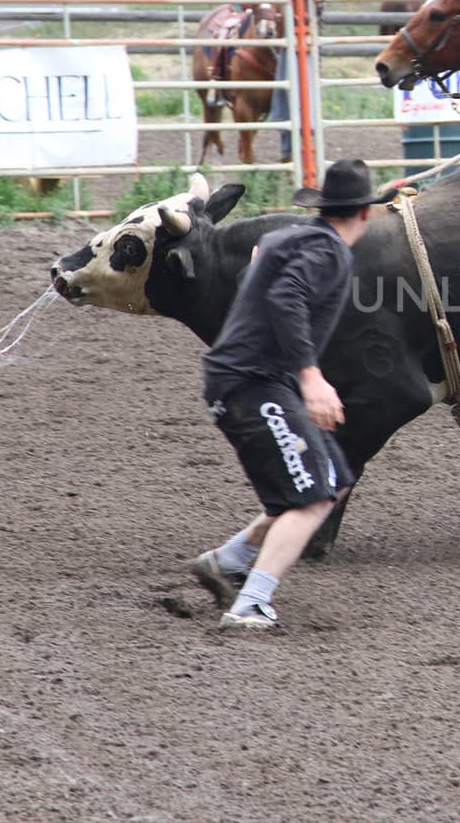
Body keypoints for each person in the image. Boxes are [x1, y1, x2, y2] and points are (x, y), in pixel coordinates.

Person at [187, 159, 397, 631]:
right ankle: (251, 603)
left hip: (249, 379)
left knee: (333, 480)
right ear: (365, 214)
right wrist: (312, 377)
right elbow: (286, 297)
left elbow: (260, 264)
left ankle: (229, 560)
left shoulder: (293, 238)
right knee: (310, 499)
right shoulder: (329, 253)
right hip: (252, 383)